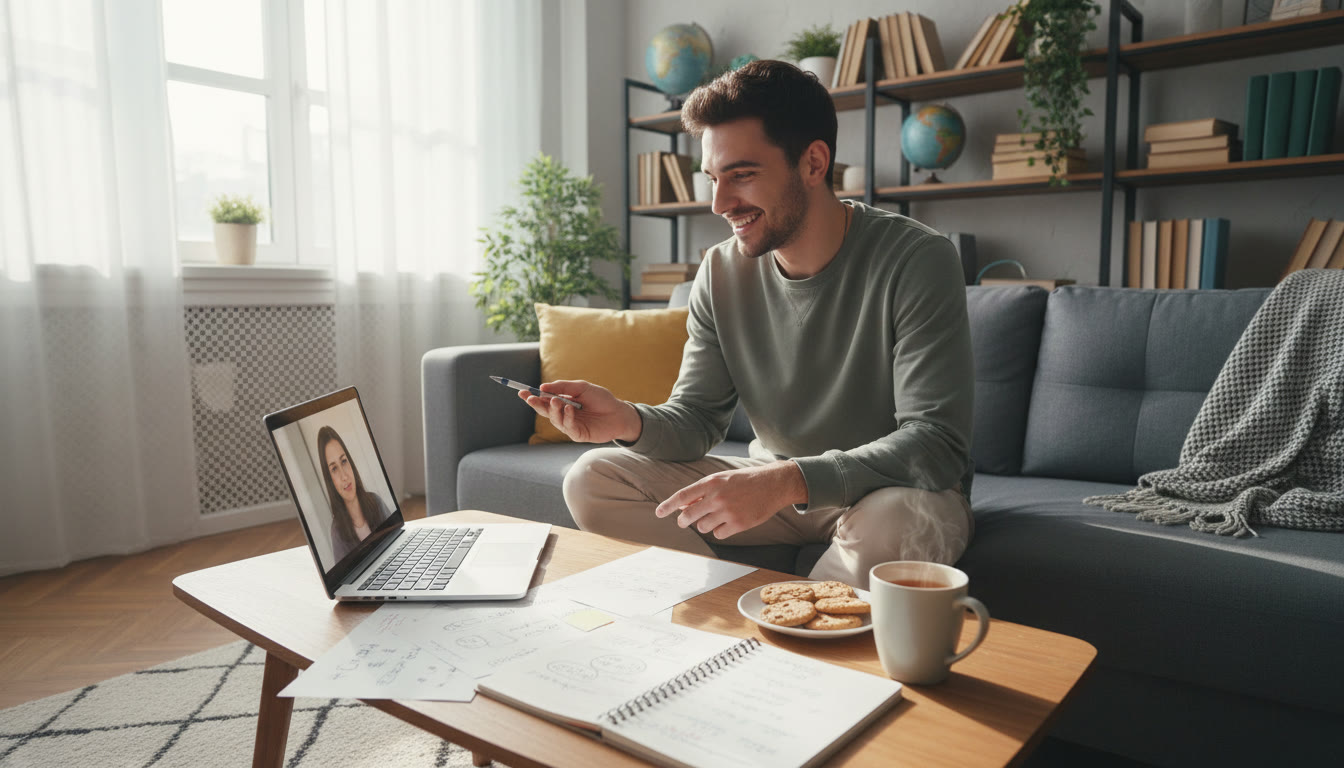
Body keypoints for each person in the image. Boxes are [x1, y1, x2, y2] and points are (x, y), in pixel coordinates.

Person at [524, 60, 975, 588]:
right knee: (593, 479)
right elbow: (696, 420)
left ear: (813, 162)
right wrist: (627, 421)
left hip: (894, 494)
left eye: (741, 175)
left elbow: (935, 444)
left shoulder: (918, 258)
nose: (719, 203)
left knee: (895, 522)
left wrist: (787, 480)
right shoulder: (720, 271)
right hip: (776, 489)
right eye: (713, 178)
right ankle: (731, 612)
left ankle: (780, 632)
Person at [317, 425, 391, 563]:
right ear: (330, 480)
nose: (344, 476)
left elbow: (396, 539)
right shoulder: (337, 533)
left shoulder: (376, 502)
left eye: (344, 461)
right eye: (334, 469)